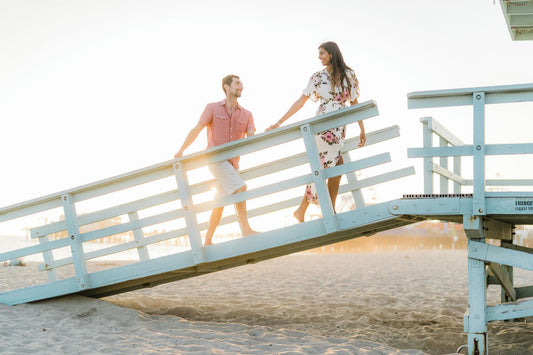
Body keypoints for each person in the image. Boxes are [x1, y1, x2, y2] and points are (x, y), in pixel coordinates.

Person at [267, 41, 366, 223]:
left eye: (322, 53)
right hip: (322, 125)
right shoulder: (317, 77)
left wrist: (361, 127)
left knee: (327, 165)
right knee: (333, 164)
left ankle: (304, 209)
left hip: (340, 126)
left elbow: (354, 102)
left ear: (331, 54)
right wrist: (279, 122)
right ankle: (329, 209)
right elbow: (300, 102)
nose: (319, 57)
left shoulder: (349, 75)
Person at [175, 74, 257, 246]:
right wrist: (182, 150)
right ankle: (247, 230)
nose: (241, 86)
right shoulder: (212, 108)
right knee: (241, 188)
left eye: (242, 83)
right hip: (215, 160)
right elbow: (197, 129)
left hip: (233, 164)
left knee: (219, 201)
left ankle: (208, 240)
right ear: (227, 87)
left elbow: (251, 138)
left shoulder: (248, 114)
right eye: (237, 83)